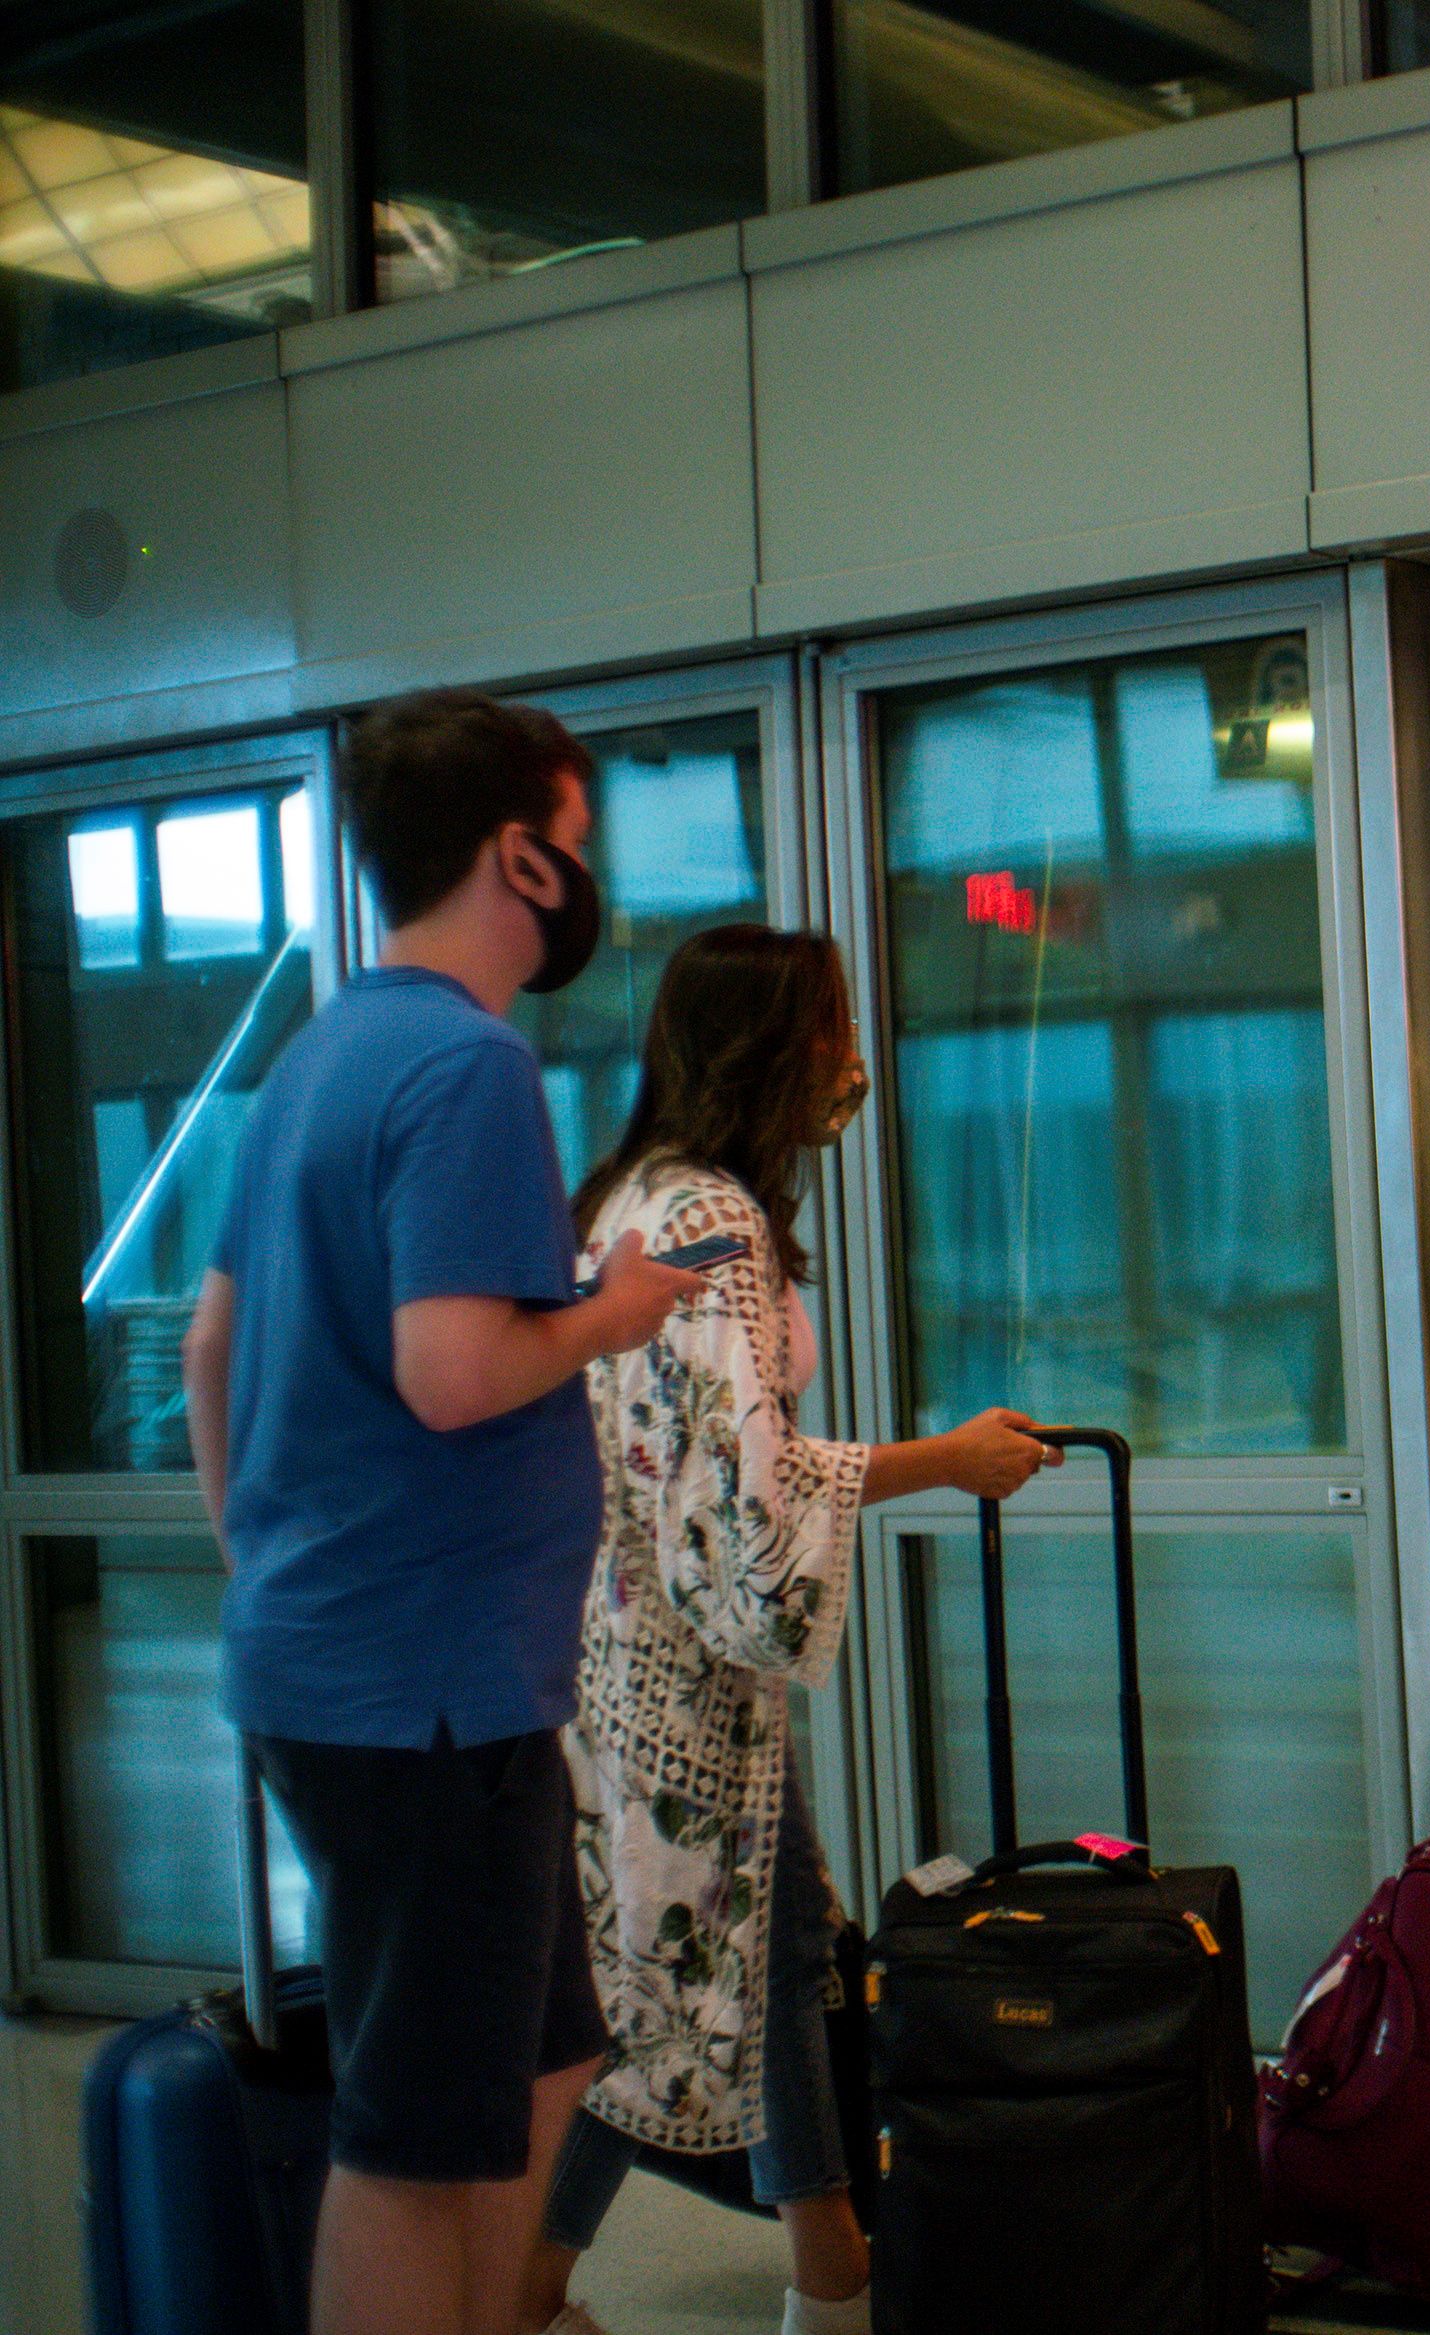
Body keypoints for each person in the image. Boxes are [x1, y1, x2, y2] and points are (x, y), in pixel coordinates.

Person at [185, 690, 706, 2335]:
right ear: (519, 856)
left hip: (380, 1670)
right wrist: (612, 1316)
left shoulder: (318, 1056)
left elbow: (211, 1343)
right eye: (581, 843)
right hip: (425, 1695)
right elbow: (454, 1370)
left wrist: (267, 1557)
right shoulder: (469, 1065)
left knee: (549, 2056)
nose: (590, 874)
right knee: (412, 2140)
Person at [518, 927, 1055, 2335]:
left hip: (619, 1650)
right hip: (685, 1677)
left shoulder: (630, 1196)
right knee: (684, 1986)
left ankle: (830, 2268)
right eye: (829, 1030)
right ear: (772, 1048)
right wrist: (946, 1459)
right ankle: (523, 2288)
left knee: (764, 1960)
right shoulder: (719, 1228)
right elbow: (739, 1497)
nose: (850, 1062)